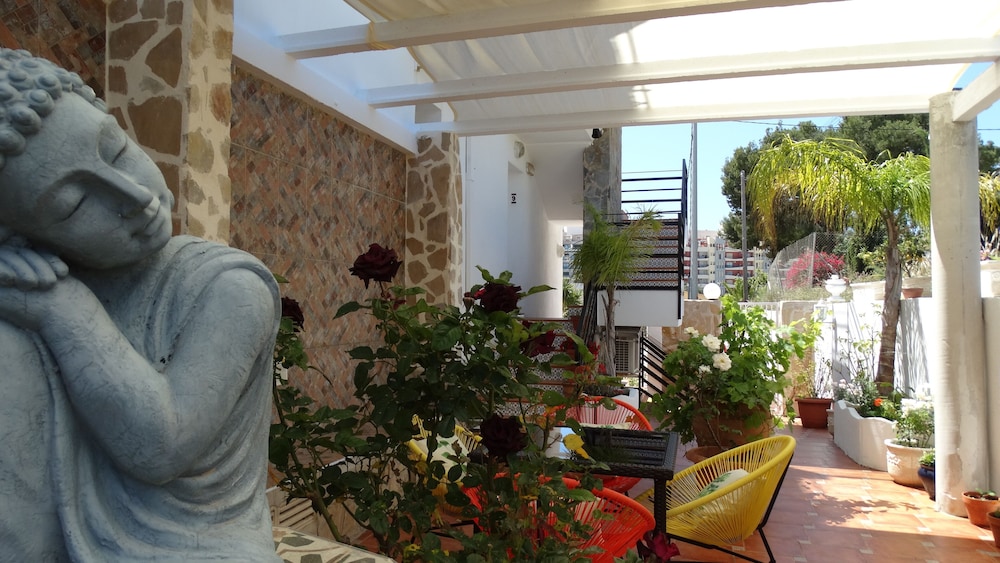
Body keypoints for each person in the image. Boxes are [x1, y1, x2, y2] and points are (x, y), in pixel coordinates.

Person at [0, 49, 281, 561]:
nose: (133, 196)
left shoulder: (231, 286)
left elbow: (159, 447)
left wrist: (63, 308)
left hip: (203, 546)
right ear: (23, 237)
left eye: (116, 150)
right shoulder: (27, 292)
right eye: (72, 206)